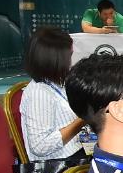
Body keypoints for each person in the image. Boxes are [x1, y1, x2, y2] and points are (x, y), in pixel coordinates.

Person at [20, 27, 89, 162]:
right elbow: (40, 146)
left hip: (75, 155)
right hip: (60, 166)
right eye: (69, 56)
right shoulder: (39, 93)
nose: (71, 62)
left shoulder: (57, 84)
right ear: (56, 60)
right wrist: (82, 120)